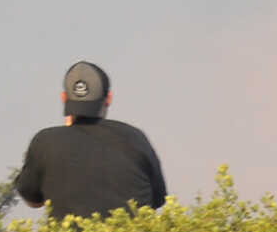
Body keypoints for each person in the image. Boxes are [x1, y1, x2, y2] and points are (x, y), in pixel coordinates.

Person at [14, 61, 166, 223]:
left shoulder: (45, 142)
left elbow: (33, 199)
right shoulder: (135, 138)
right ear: (108, 98)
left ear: (64, 98)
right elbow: (157, 200)